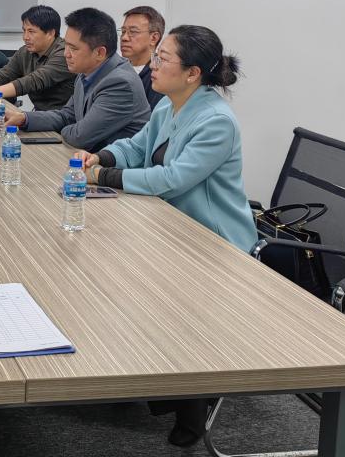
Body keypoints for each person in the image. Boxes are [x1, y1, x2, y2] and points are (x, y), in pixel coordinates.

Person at [73, 25, 257, 448]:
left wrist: (103, 176)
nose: (152, 65)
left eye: (163, 58)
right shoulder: (169, 104)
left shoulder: (216, 121)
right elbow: (136, 147)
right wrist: (99, 156)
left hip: (212, 243)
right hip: (169, 224)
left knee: (137, 281)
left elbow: (172, 179)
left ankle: (191, 403)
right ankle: (136, 374)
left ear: (192, 73)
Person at [5, 8, 149, 151]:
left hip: (110, 163)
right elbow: (66, 116)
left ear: (99, 53)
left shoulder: (120, 84)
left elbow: (79, 137)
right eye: (66, 45)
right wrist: (25, 118)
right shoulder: (86, 72)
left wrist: (67, 128)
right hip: (85, 156)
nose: (66, 54)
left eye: (73, 48)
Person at [0, 5, 74, 111]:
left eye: (31, 31)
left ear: (50, 33)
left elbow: (31, 81)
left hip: (63, 118)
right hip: (41, 115)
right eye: (24, 31)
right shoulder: (25, 51)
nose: (25, 37)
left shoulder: (64, 53)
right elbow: (2, 76)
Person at [120, 5, 166, 110]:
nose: (124, 38)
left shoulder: (161, 73)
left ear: (154, 38)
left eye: (133, 32)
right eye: (123, 32)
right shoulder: (117, 68)